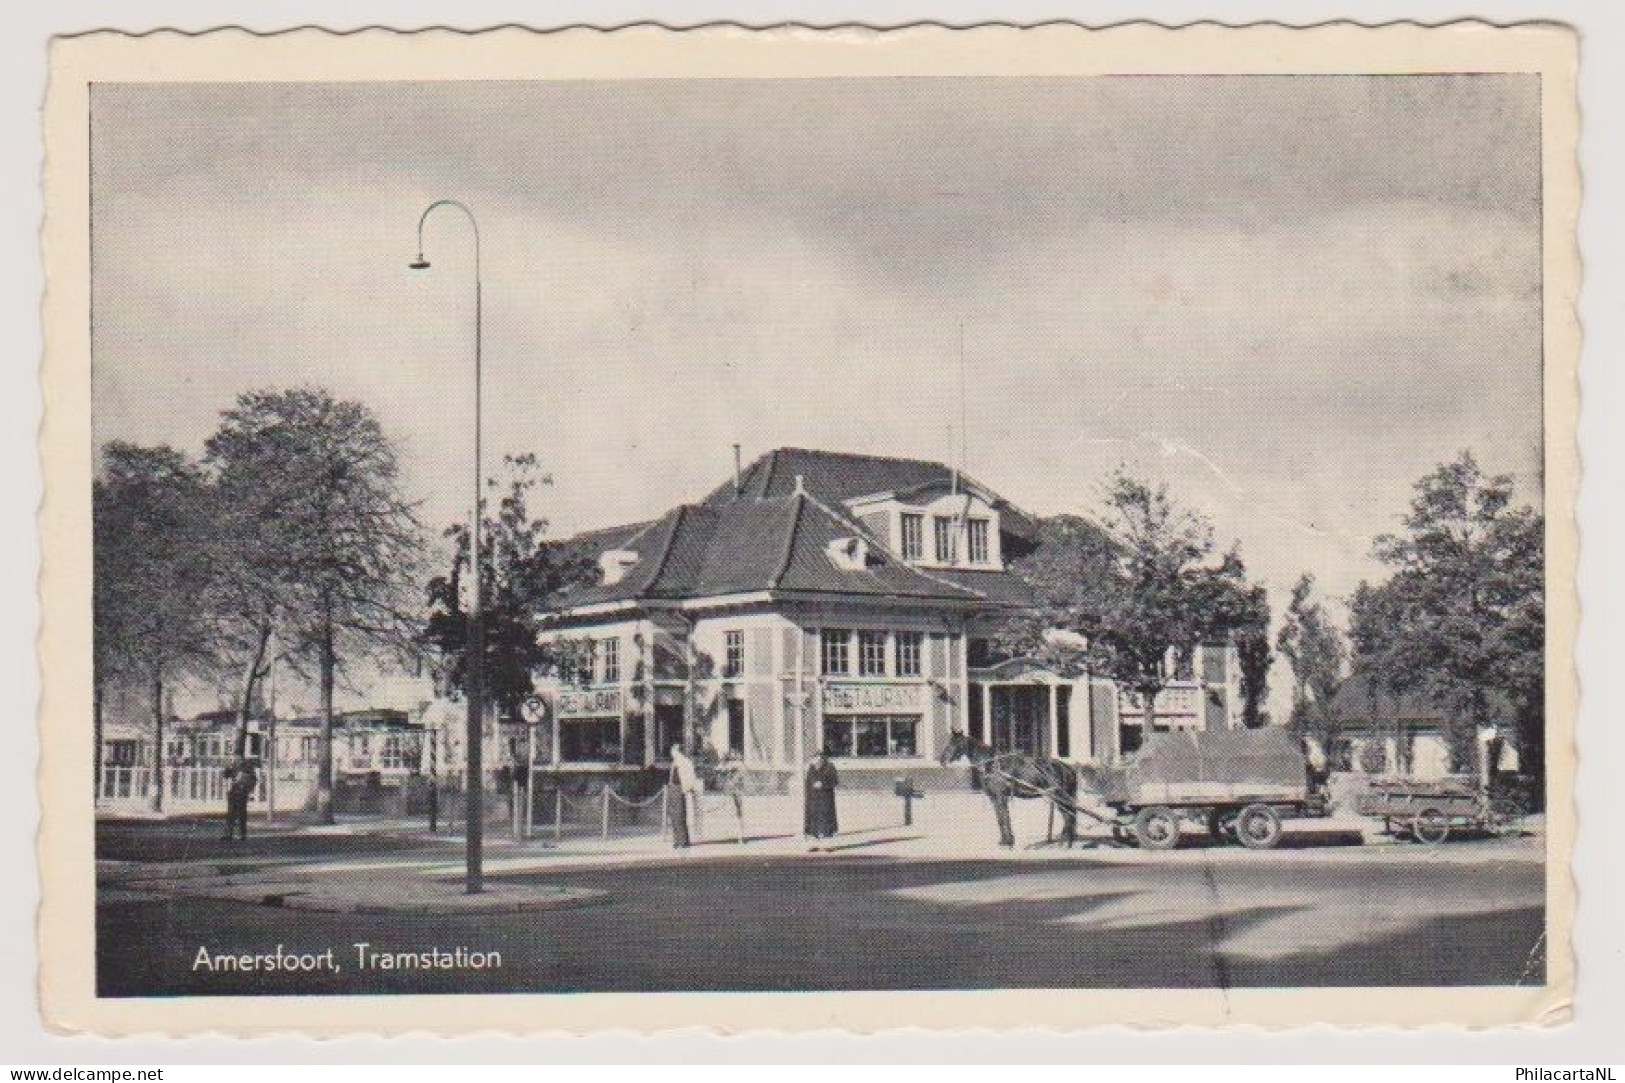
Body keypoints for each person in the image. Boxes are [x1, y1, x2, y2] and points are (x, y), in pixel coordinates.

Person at [804, 748, 839, 847]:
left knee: (826, 820)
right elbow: (808, 782)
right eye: (814, 758)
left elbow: (835, 782)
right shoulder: (811, 768)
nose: (816, 761)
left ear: (822, 758)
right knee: (813, 820)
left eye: (818, 758)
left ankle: (828, 842)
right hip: (813, 799)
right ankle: (813, 842)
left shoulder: (830, 767)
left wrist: (823, 784)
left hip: (826, 799)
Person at [668, 743, 700, 848]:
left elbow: (690, 777)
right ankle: (677, 840)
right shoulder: (674, 763)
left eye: (674, 751)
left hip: (680, 789)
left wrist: (687, 789)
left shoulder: (686, 762)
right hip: (672, 789)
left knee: (680, 815)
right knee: (673, 816)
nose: (672, 753)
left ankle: (683, 840)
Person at [222, 754, 259, 841]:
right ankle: (229, 834)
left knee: (241, 814)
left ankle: (242, 834)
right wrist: (228, 767)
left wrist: (247, 786)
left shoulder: (247, 767)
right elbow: (226, 775)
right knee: (231, 813)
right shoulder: (234, 766)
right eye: (234, 758)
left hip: (242, 792)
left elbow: (254, 779)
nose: (235, 760)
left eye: (237, 758)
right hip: (234, 791)